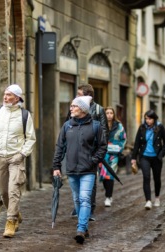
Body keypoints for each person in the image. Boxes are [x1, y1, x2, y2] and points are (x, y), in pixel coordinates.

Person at [0, 84, 36, 238]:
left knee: (13, 189)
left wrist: (22, 154)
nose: (5, 97)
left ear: (17, 98)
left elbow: (30, 138)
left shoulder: (24, 115)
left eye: (9, 95)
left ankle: (10, 221)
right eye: (5, 94)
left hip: (16, 157)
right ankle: (15, 212)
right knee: (3, 191)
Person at [52, 96, 107, 244]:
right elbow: (60, 147)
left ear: (82, 109)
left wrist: (94, 160)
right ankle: (84, 225)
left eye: (74, 106)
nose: (71, 108)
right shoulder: (67, 126)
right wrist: (56, 166)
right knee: (76, 199)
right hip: (71, 169)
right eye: (71, 106)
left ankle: (81, 229)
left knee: (84, 198)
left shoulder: (95, 126)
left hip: (88, 170)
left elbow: (102, 146)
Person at [67, 84, 108, 221]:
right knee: (76, 178)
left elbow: (104, 131)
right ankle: (79, 206)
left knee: (91, 179)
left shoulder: (98, 109)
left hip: (92, 150)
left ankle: (90, 207)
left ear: (87, 95)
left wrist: (97, 155)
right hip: (76, 149)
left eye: (79, 94)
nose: (77, 97)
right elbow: (69, 124)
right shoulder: (75, 107)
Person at [131, 110, 165, 209]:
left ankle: (157, 197)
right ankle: (148, 201)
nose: (147, 121)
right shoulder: (142, 127)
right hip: (144, 157)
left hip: (156, 157)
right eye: (146, 119)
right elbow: (137, 144)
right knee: (146, 177)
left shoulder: (160, 127)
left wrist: (161, 154)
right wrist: (134, 158)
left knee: (157, 178)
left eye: (149, 119)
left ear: (154, 118)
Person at [99, 107, 127, 207]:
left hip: (114, 154)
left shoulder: (119, 126)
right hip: (103, 154)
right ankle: (108, 194)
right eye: (107, 113)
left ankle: (108, 196)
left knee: (110, 174)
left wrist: (120, 148)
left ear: (114, 114)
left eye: (111, 113)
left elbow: (123, 138)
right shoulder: (100, 125)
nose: (109, 115)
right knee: (103, 175)